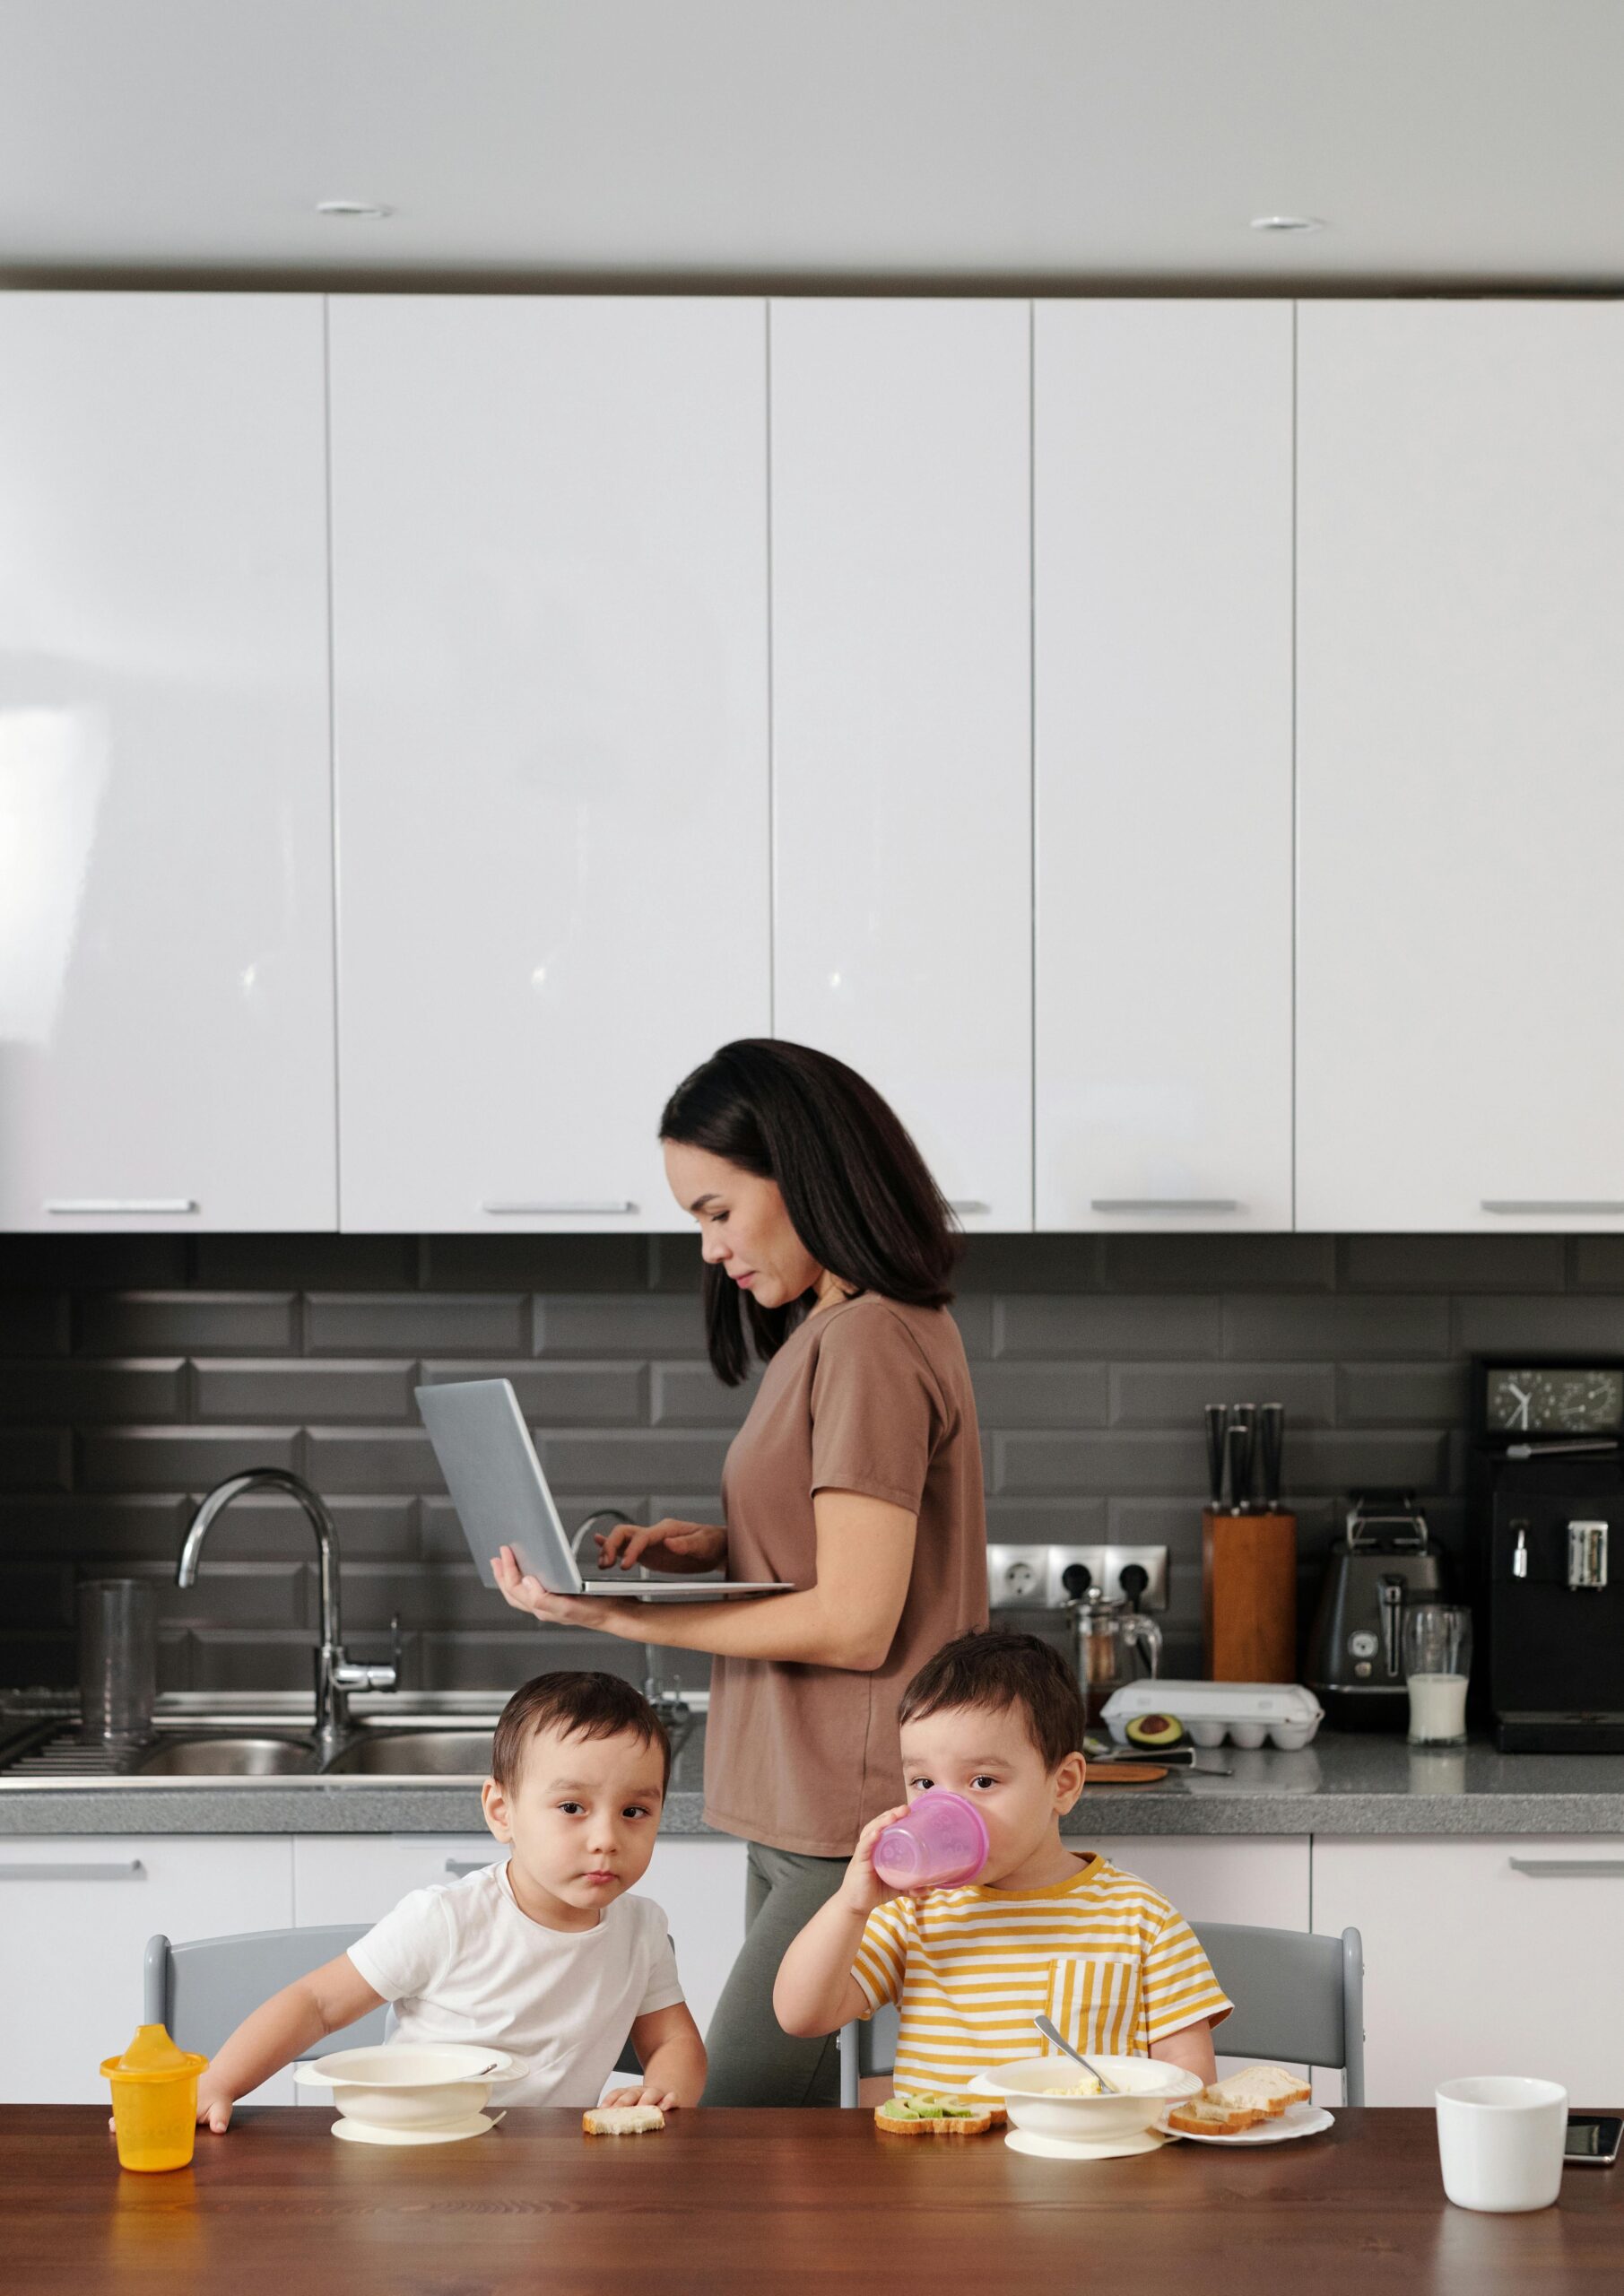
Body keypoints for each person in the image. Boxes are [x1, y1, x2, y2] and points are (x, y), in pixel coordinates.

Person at [492, 1039, 989, 2104]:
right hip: (793, 1794)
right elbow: (849, 1536)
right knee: (788, 2160)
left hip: (844, 1812)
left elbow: (856, 1620)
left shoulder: (866, 1339)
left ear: (800, 1170)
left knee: (733, 2121)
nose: (711, 1248)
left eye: (717, 1210)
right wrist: (714, 1547)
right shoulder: (835, 1326)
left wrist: (619, 1618)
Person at [178, 1673, 705, 2129]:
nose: (605, 1838)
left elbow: (672, 2043)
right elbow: (315, 2006)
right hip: (415, 2154)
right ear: (502, 1811)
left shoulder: (642, 1928)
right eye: (572, 1806)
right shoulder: (448, 1919)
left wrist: (660, 2090)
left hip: (547, 2180)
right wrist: (220, 2081)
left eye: (634, 1812)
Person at [772, 1630, 1230, 2091]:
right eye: (925, 1783)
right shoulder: (914, 1913)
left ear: (1064, 1784)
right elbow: (801, 2016)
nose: (947, 1810)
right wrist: (851, 1906)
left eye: (983, 1782)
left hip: (1088, 2158)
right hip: (941, 2159)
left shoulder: (1141, 1917)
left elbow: (1189, 2080)